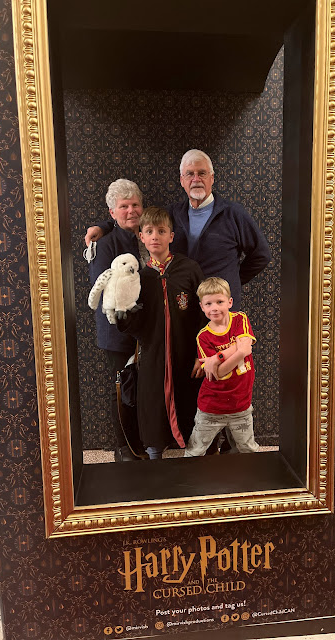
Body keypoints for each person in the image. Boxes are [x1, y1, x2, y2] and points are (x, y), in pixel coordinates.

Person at [84, 149, 271, 310]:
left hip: (219, 309)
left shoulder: (233, 214)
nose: (196, 179)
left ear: (212, 178)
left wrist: (231, 282)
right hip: (182, 306)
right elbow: (141, 220)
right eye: (189, 174)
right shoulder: (172, 213)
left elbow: (261, 255)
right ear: (182, 180)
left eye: (202, 173)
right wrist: (105, 227)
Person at [116, 207, 204, 459]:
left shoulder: (189, 269)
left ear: (171, 236)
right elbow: (133, 325)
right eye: (149, 231)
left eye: (162, 231)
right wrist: (120, 312)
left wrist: (202, 354)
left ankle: (193, 455)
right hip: (153, 355)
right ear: (141, 237)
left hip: (186, 352)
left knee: (189, 400)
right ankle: (155, 452)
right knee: (153, 405)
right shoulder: (139, 278)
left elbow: (203, 314)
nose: (155, 236)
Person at [88, 178, 148, 462]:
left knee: (145, 388)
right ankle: (124, 447)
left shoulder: (148, 236)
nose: (131, 211)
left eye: (135, 204)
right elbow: (106, 294)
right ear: (112, 212)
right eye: (124, 206)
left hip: (148, 329)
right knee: (124, 388)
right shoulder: (104, 245)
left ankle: (144, 442)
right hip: (118, 331)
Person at [184, 277, 260, 457]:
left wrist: (217, 357)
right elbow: (218, 373)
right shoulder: (203, 337)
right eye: (208, 304)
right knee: (195, 450)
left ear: (230, 302)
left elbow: (246, 344)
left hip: (241, 404)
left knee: (248, 449)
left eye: (219, 302)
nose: (214, 308)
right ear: (202, 307)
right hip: (212, 406)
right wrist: (240, 352)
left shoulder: (240, 319)